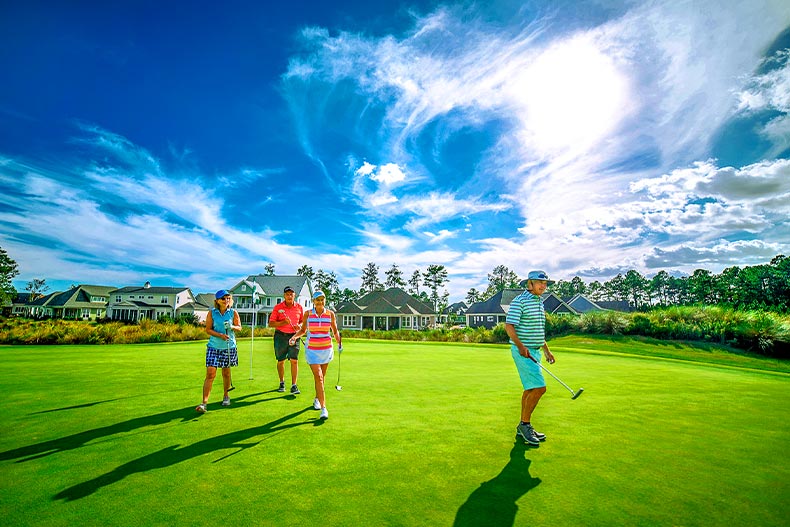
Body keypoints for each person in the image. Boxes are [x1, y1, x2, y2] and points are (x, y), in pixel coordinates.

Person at [505, 270, 556, 445]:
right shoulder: (520, 301)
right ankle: (525, 425)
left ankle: (523, 426)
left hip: (535, 351)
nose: (543, 286)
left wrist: (546, 350)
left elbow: (538, 330)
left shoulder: (540, 302)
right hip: (523, 351)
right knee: (540, 388)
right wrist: (520, 346)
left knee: (530, 389)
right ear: (530, 284)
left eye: (545, 283)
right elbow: (509, 326)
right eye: (539, 282)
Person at [288, 291, 341, 420]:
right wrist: (294, 337)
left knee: (322, 377)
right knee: (319, 377)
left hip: (326, 349)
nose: (320, 302)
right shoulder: (308, 314)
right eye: (317, 300)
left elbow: (334, 330)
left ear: (325, 301)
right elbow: (303, 330)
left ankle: (317, 398)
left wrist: (339, 342)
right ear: (313, 301)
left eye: (322, 300)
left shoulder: (330, 314)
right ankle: (324, 408)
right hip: (312, 350)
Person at [196, 290, 241, 413]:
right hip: (214, 347)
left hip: (229, 347)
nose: (226, 300)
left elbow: (239, 328)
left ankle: (226, 396)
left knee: (226, 373)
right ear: (217, 301)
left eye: (228, 298)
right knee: (210, 374)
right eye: (223, 298)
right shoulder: (212, 313)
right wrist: (220, 335)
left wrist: (232, 327)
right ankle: (204, 403)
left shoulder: (233, 312)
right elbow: (208, 330)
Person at [268, 285, 304, 394]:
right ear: (284, 295)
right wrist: (283, 323)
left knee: (294, 360)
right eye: (287, 294)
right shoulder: (278, 307)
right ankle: (282, 382)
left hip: (294, 336)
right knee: (281, 360)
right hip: (280, 336)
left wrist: (299, 325)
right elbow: (271, 323)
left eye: (291, 294)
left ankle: (294, 385)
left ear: (294, 295)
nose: (289, 296)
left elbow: (302, 321)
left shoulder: (299, 307)